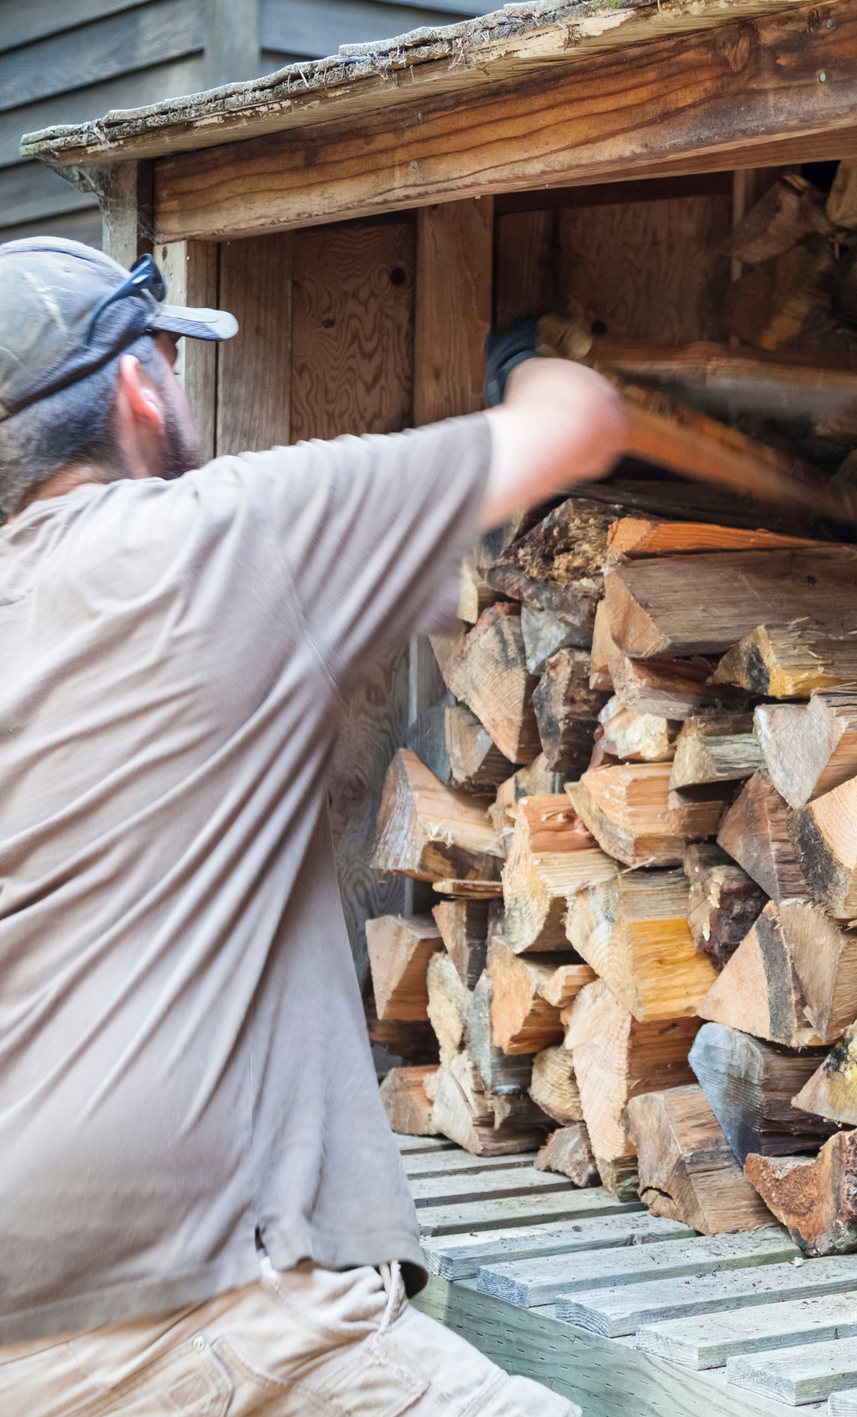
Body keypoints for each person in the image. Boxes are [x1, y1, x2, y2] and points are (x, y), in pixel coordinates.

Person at [0, 237, 630, 1414]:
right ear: (140, 385)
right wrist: (527, 362)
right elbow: (574, 428)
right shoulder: (211, 538)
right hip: (201, 1314)